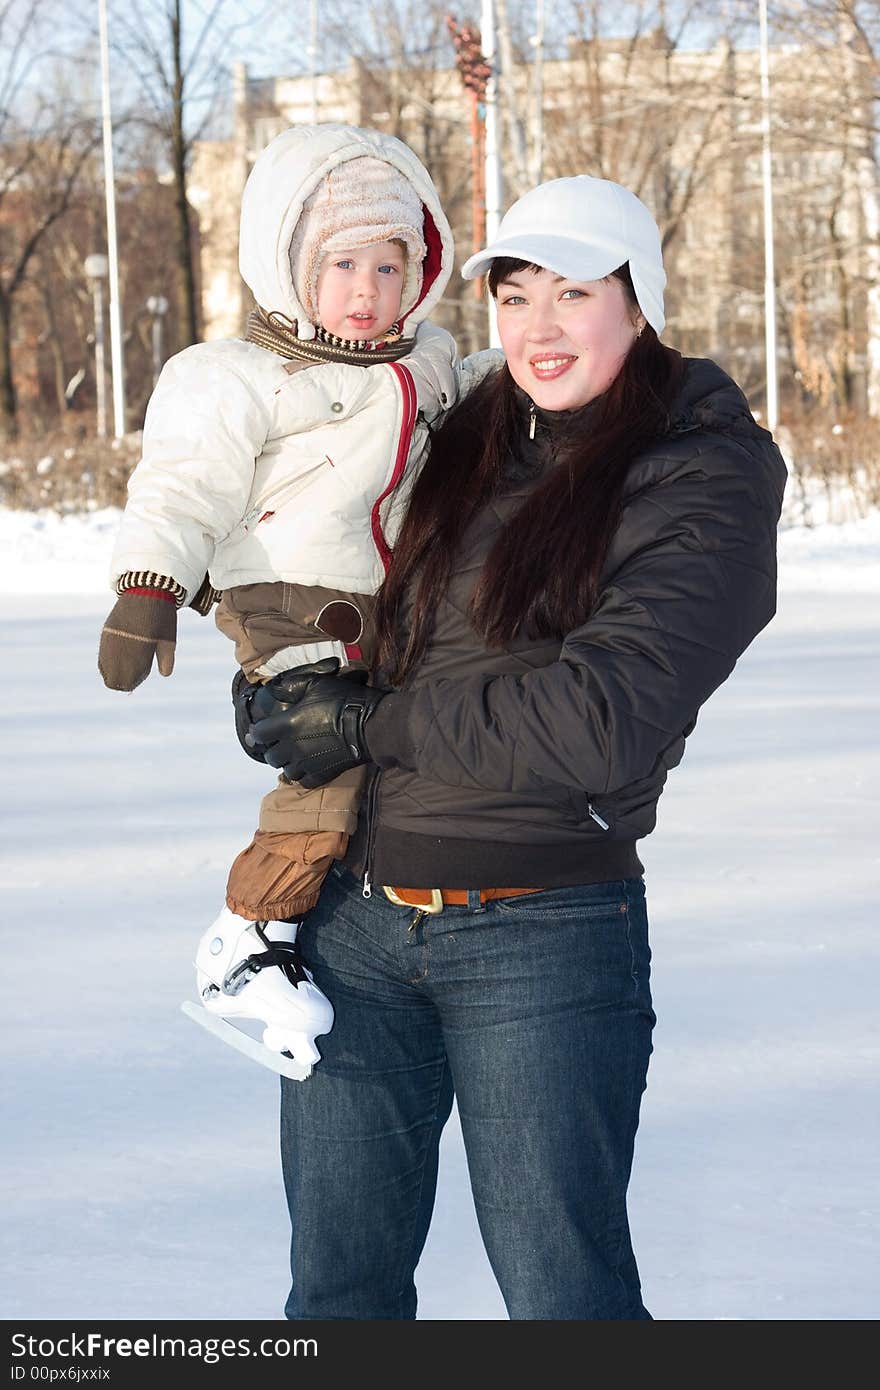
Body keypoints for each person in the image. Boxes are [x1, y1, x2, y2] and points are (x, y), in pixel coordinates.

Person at [233, 174, 788, 1319]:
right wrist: (290, 675)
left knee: (561, 1301)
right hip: (357, 929)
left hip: (540, 934)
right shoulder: (472, 435)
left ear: (638, 304)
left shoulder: (700, 467)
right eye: (514, 294)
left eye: (573, 292)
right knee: (336, 1295)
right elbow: (356, 579)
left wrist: (365, 721)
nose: (536, 328)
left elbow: (600, 720)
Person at [97, 123, 460, 1071]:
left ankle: (316, 927)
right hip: (282, 597)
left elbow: (485, 404)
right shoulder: (236, 375)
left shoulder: (426, 364)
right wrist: (148, 588)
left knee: (389, 757)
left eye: (392, 265)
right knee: (327, 750)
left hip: (389, 603)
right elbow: (181, 487)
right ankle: (246, 936)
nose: (368, 289)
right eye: (343, 263)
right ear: (291, 262)